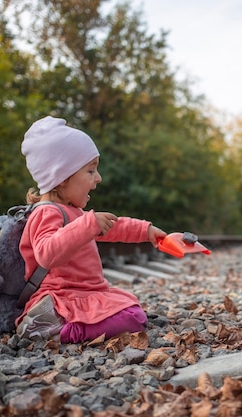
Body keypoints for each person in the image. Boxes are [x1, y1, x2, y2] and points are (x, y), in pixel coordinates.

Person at [15, 115, 166, 343]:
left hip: (84, 293)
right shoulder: (46, 212)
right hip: (62, 296)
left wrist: (146, 230)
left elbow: (114, 227)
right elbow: (46, 254)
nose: (99, 178)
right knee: (133, 317)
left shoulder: (72, 211)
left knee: (132, 309)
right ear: (62, 177)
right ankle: (58, 330)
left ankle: (57, 325)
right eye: (90, 171)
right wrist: (88, 224)